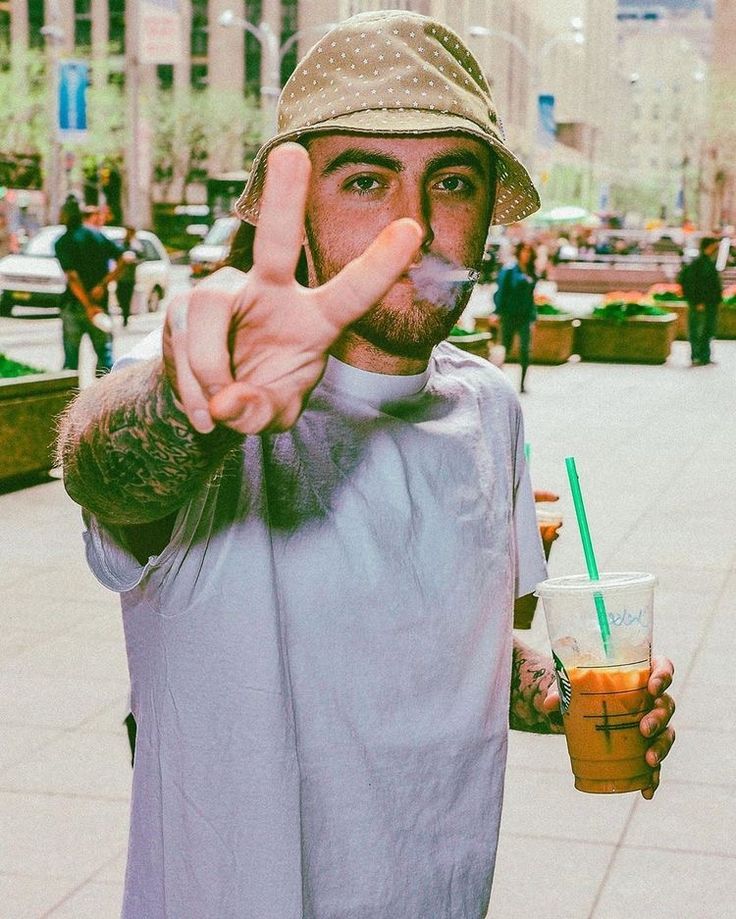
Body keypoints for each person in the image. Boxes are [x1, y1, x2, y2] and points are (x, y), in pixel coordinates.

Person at [56, 12, 675, 918]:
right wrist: (195, 413)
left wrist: (560, 687)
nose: (412, 227)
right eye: (364, 179)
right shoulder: (219, 399)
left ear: (485, 216)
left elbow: (449, 646)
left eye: (451, 182)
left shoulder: (493, 410)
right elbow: (105, 472)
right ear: (293, 209)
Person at [54, 196, 124, 375]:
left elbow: (73, 277)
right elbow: (125, 258)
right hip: (100, 304)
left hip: (75, 306)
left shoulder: (64, 241)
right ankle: (106, 402)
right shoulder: (97, 235)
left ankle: (71, 402)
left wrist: (88, 306)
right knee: (105, 359)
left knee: (71, 364)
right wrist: (103, 284)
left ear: (66, 215)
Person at [494, 241, 538, 393]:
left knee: (525, 350)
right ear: (519, 252)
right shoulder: (509, 269)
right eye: (524, 251)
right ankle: (497, 383)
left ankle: (522, 384)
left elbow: (531, 296)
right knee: (505, 348)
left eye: (529, 251)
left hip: (525, 316)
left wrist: (533, 316)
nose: (527, 254)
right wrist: (497, 311)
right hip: (509, 315)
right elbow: (501, 292)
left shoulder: (531, 270)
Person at [678, 236, 723, 366]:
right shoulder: (699, 264)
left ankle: (704, 355)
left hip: (709, 303)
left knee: (707, 329)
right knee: (699, 329)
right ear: (709, 247)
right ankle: (697, 355)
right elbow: (693, 283)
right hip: (702, 304)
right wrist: (698, 301)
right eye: (715, 247)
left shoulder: (707, 262)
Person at [115, 227, 143, 326]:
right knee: (119, 296)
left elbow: (141, 258)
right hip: (120, 276)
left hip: (129, 277)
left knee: (127, 298)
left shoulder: (136, 245)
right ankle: (124, 312)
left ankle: (125, 317)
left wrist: (133, 261)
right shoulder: (121, 244)